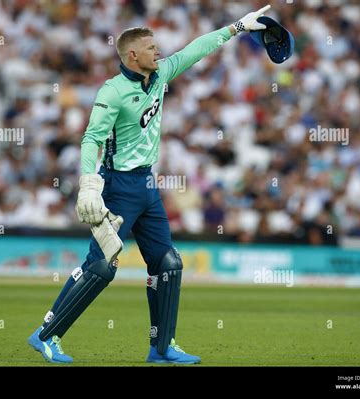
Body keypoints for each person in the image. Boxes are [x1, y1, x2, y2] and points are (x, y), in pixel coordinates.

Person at [28, 5, 274, 364]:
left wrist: (236, 27)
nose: (158, 51)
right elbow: (90, 138)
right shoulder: (111, 92)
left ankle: (161, 348)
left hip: (146, 185)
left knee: (168, 263)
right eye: (150, 47)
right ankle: (46, 335)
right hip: (117, 188)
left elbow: (195, 50)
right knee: (100, 267)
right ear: (132, 54)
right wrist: (87, 183)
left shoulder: (159, 76)